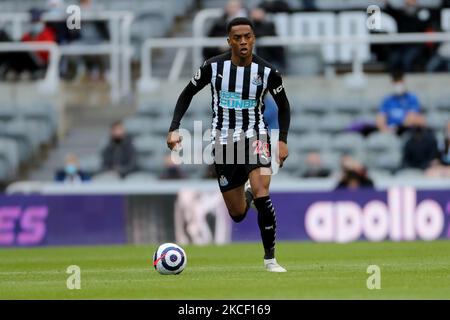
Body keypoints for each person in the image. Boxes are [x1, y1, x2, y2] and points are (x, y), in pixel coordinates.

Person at [167, 18, 291, 272]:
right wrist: (174, 128)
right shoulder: (213, 68)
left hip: (257, 137)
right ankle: (246, 194)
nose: (243, 41)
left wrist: (282, 140)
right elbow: (186, 93)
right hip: (224, 143)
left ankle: (270, 259)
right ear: (229, 41)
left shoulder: (267, 72)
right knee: (237, 213)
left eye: (247, 36)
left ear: (253, 38)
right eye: (237, 37)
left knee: (262, 192)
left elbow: (284, 106)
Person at [250, 7, 286, 72]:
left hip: (271, 55)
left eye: (259, 13)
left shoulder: (269, 25)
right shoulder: (250, 26)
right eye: (255, 13)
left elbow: (268, 34)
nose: (257, 15)